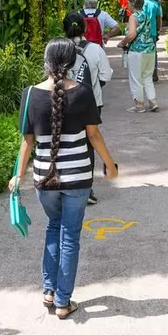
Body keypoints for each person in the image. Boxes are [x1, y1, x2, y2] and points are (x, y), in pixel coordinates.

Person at [9, 38, 118, 319]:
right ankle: (63, 301)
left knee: (53, 227)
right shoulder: (82, 93)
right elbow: (93, 135)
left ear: (46, 61)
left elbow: (27, 141)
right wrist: (109, 164)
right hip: (78, 178)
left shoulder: (30, 94)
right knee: (70, 235)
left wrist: (18, 176)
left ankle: (49, 290)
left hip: (44, 179)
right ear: (71, 63)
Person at [64, 11, 114, 205]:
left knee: (67, 143)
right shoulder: (95, 49)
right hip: (91, 103)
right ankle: (87, 188)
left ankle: (66, 185)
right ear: (85, 28)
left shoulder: (58, 49)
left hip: (65, 102)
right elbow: (106, 75)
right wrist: (93, 88)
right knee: (88, 144)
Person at [118, 0, 157, 113]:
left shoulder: (133, 17)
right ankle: (152, 101)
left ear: (131, 3)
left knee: (136, 78)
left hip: (137, 51)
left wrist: (123, 43)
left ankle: (139, 105)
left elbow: (132, 34)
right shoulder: (146, 15)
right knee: (147, 77)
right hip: (150, 50)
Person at [142, 0, 162, 82]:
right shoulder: (155, 4)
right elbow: (158, 19)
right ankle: (154, 73)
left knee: (141, 51)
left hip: (141, 32)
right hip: (152, 32)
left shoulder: (140, 4)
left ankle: (143, 73)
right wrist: (158, 30)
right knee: (153, 52)